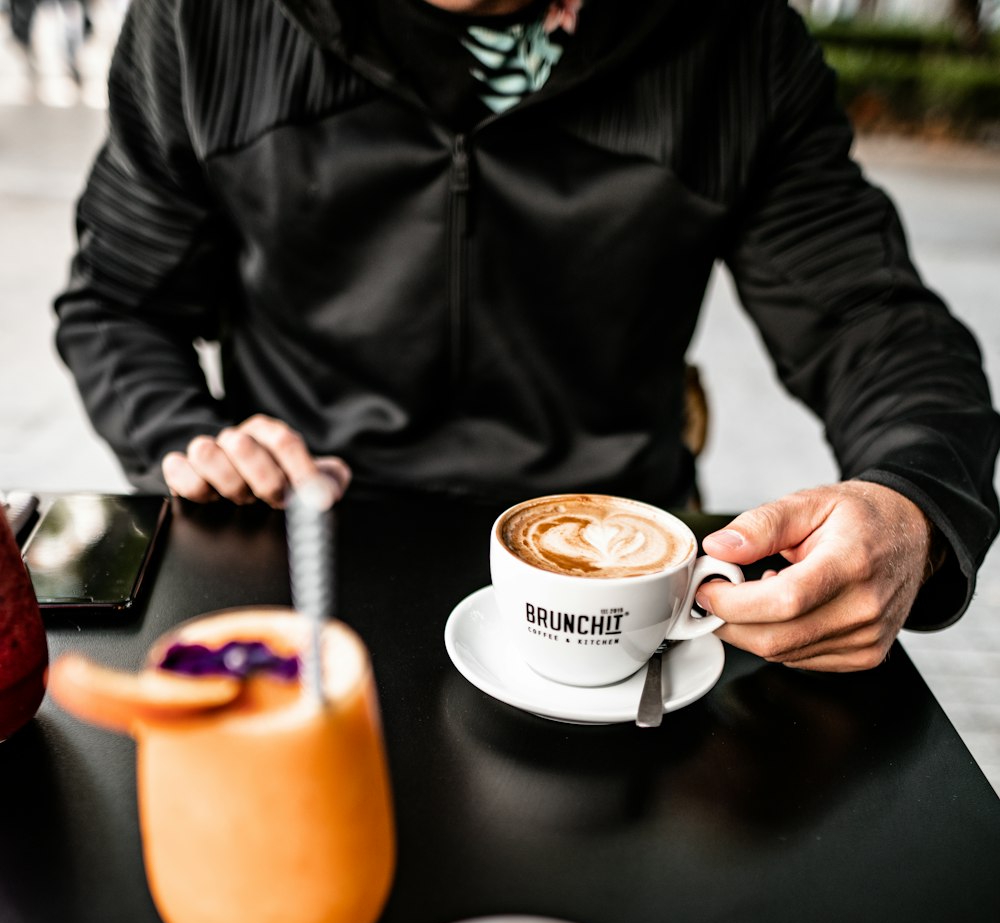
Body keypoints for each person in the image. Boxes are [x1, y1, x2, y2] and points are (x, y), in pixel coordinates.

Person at [54, 0, 1000, 672]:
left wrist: (910, 501)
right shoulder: (207, 22)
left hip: (634, 601)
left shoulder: (735, 40)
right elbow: (119, 304)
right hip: (295, 563)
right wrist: (189, 439)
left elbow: (876, 325)